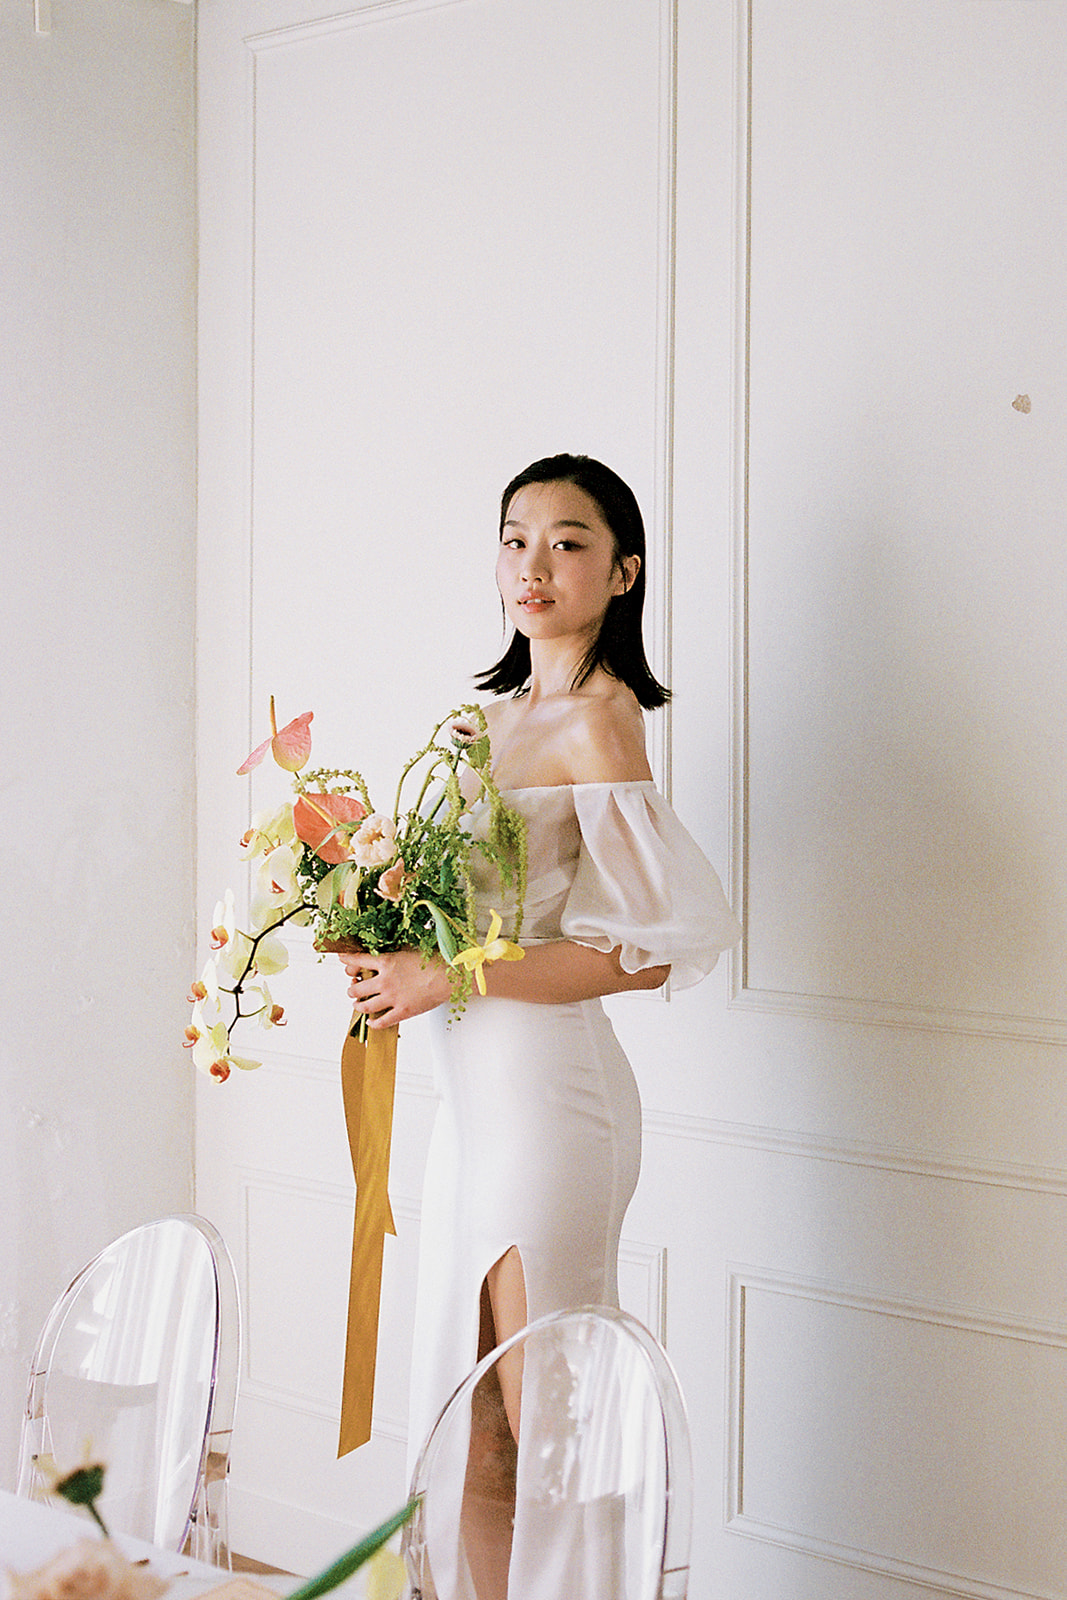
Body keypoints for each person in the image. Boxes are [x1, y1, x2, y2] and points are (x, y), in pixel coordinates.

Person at [339, 454, 740, 1581]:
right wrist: (378, 946)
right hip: (467, 1107)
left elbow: (636, 955)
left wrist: (449, 978)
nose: (533, 565)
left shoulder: (598, 726)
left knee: (542, 1421)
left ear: (623, 572)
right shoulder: (491, 719)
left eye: (566, 542)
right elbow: (462, 919)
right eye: (515, 538)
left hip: (550, 1110)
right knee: (474, 1422)